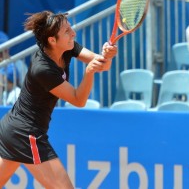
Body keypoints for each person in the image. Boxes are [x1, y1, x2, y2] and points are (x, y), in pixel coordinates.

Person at [0, 11, 117, 188]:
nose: (73, 33)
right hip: (26, 134)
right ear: (52, 40)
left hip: (12, 129)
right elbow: (79, 100)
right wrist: (89, 73)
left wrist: (107, 55)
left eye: (70, 28)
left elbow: (101, 64)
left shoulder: (67, 48)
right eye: (67, 31)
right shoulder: (43, 69)